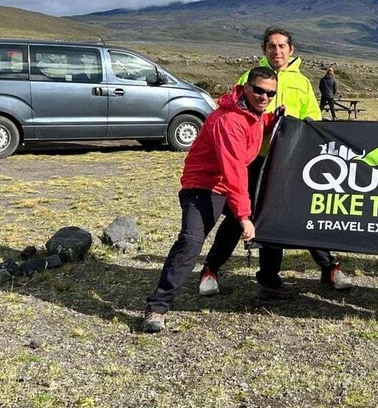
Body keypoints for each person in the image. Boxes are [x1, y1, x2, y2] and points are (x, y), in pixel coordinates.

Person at [199, 26, 352, 299]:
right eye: (271, 46)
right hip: (255, 160)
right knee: (238, 216)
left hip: (290, 161)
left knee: (302, 213)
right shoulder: (249, 77)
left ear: (291, 50)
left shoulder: (302, 83)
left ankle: (323, 269)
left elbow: (313, 119)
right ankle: (210, 269)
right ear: (264, 50)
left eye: (282, 46)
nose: (277, 51)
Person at [142, 67, 279, 333]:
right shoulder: (229, 121)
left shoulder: (254, 114)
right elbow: (234, 170)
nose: (264, 97)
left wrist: (275, 117)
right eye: (260, 90)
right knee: (190, 242)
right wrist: (243, 216)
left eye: (270, 93)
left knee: (238, 223)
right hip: (202, 187)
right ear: (246, 87)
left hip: (223, 187)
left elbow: (260, 122)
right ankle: (157, 307)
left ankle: (215, 270)